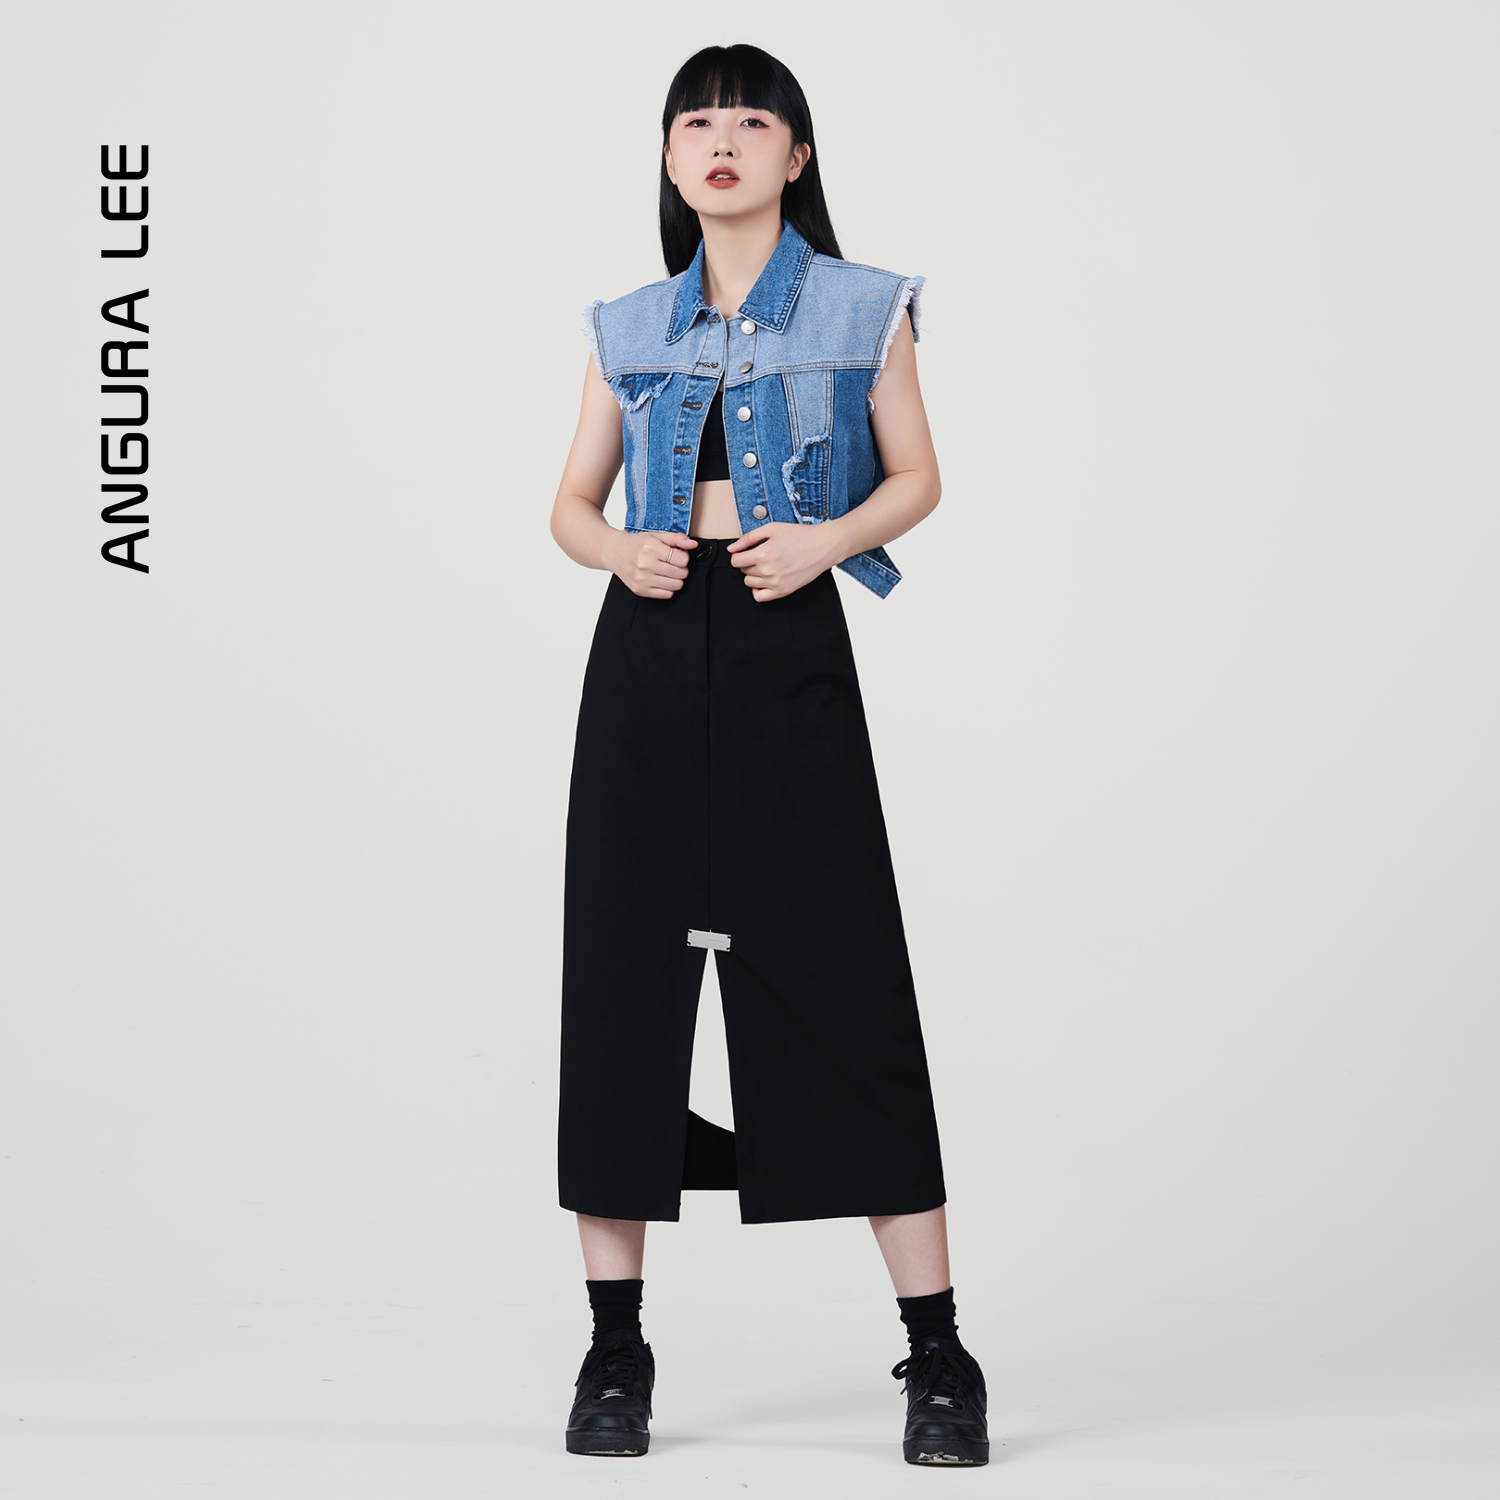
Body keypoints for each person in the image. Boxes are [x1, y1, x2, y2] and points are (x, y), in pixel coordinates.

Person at [548, 43, 989, 1467]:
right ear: (671, 157)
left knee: (843, 971)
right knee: (621, 983)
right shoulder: (626, 323)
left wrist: (822, 542)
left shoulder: (866, 306)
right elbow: (570, 502)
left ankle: (939, 1352)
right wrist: (617, 550)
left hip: (790, 639)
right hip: (644, 653)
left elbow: (919, 475)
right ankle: (615, 1348)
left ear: (797, 155)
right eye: (696, 121)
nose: (721, 140)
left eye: (752, 120)